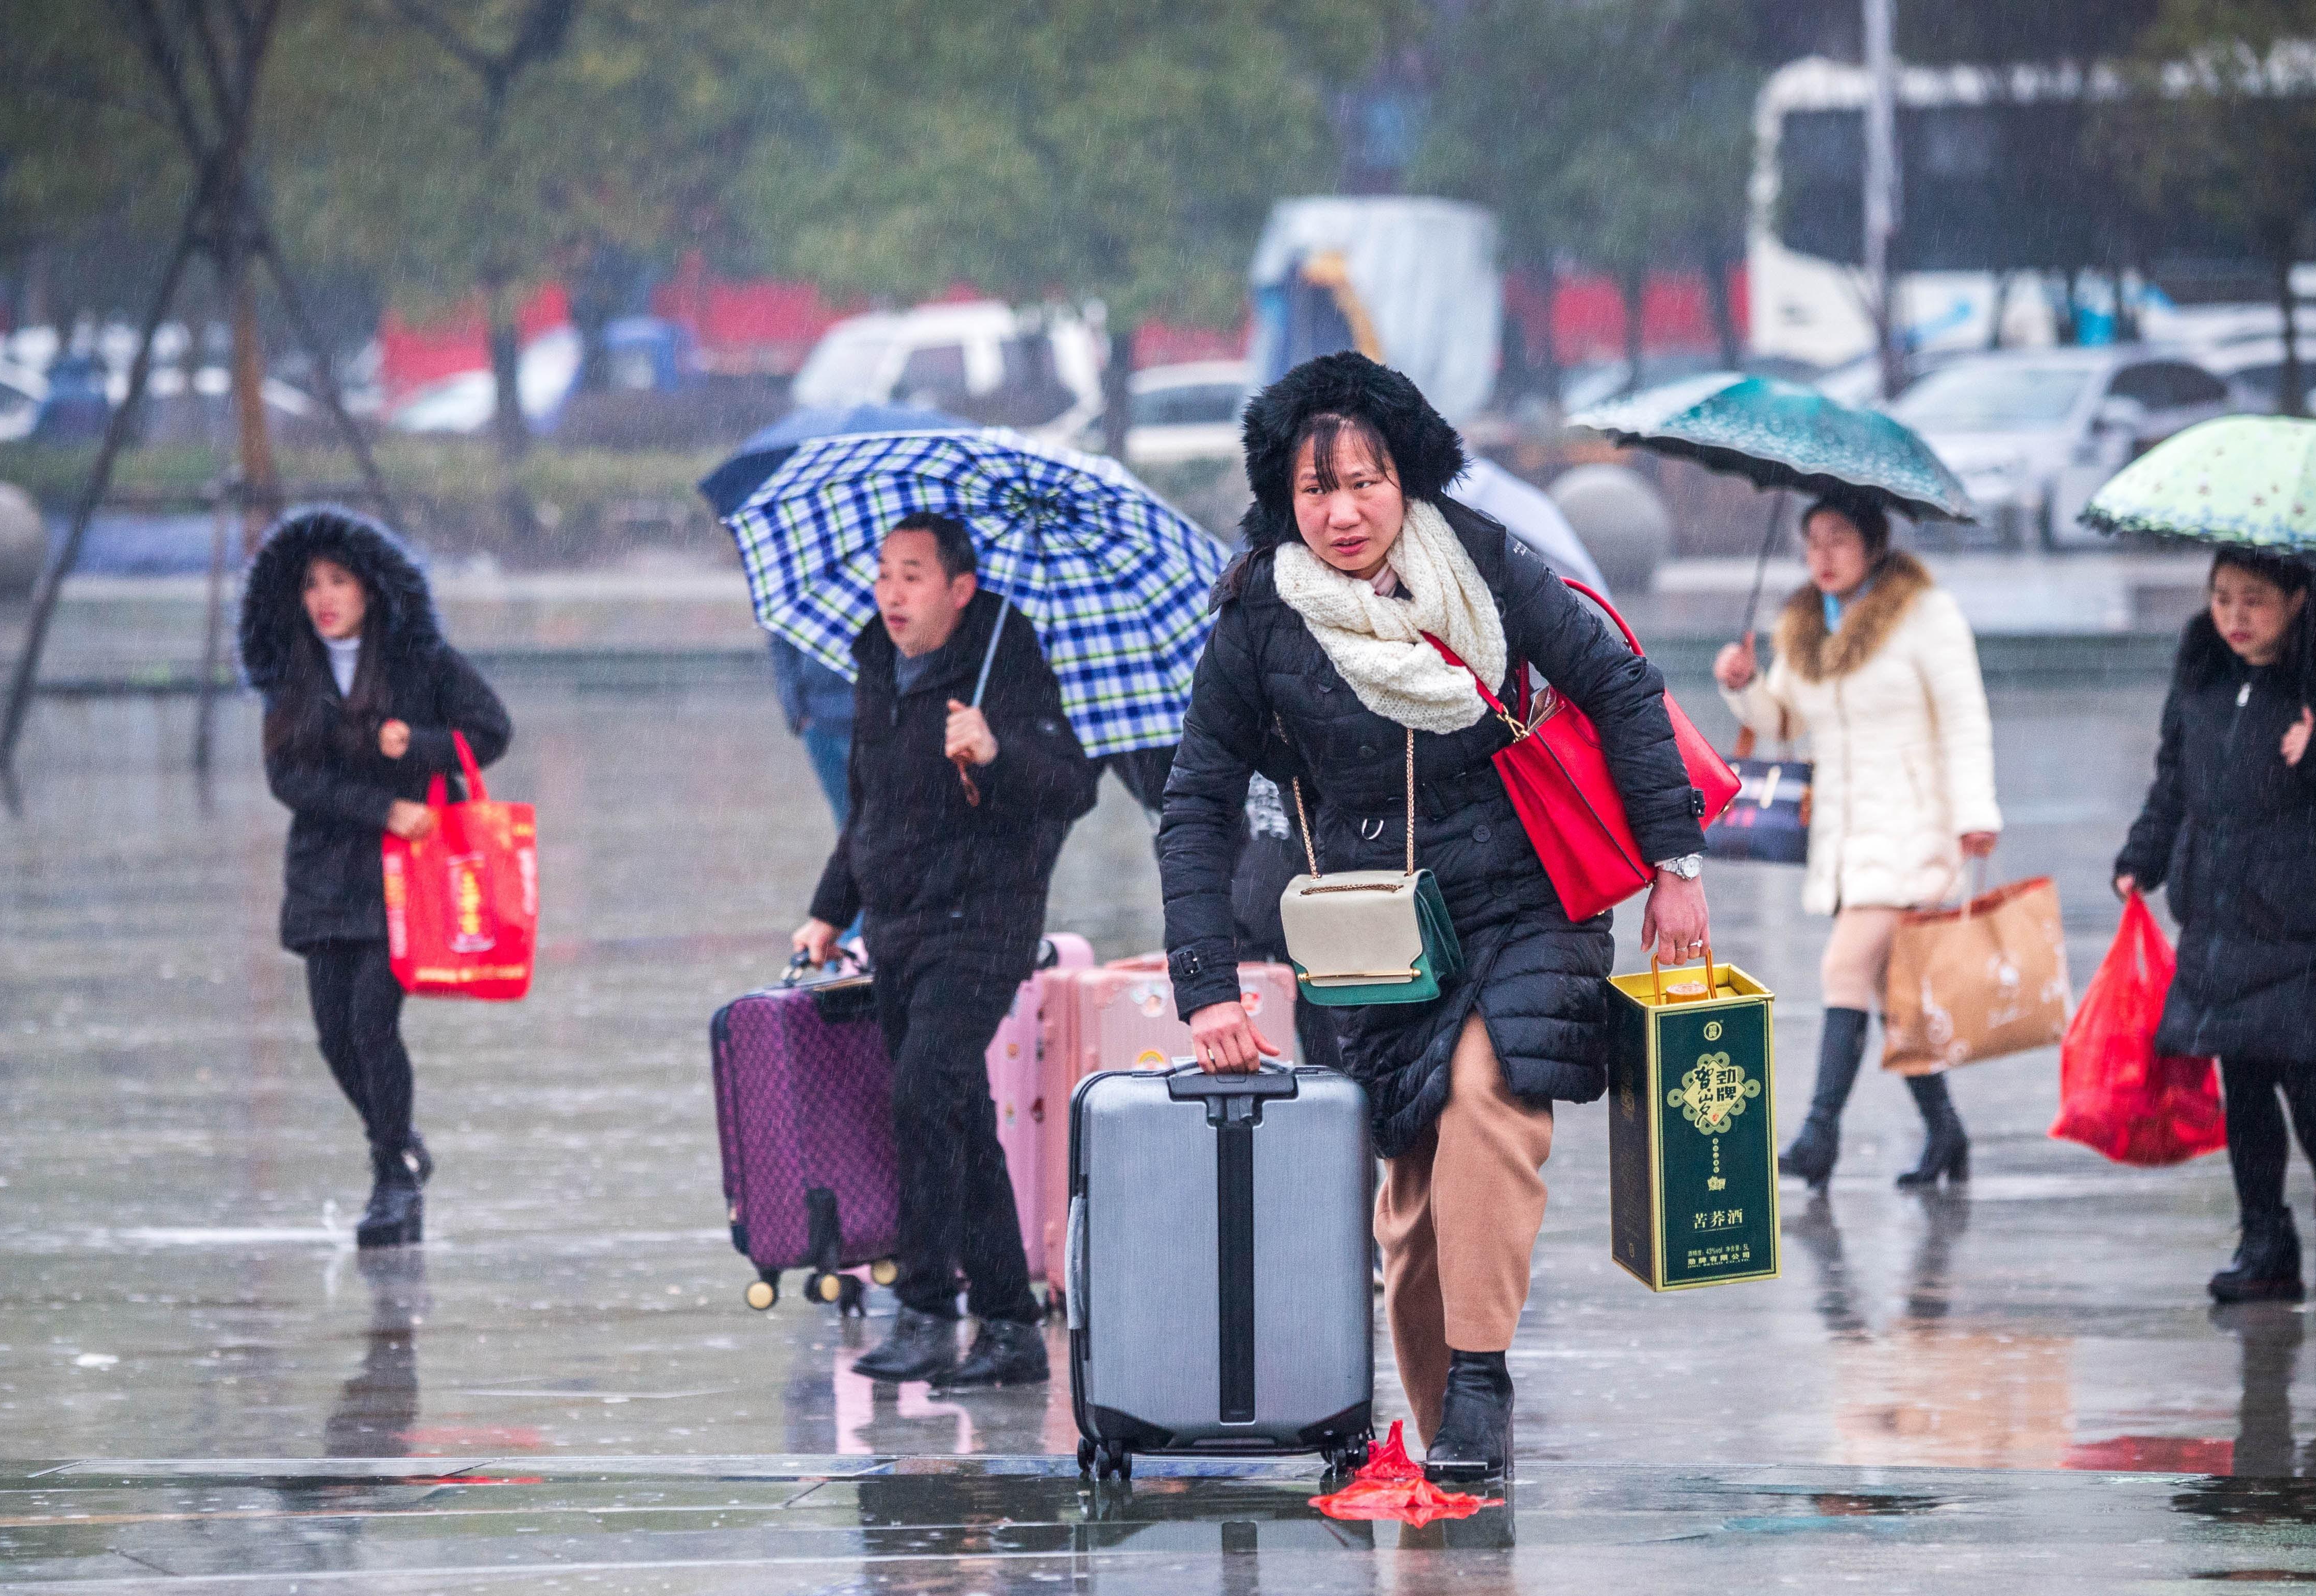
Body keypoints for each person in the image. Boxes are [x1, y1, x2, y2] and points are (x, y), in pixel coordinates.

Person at [1159, 352, 1712, 1483]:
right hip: (1380, 937)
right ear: (1286, 498)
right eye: (1318, 490)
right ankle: (1446, 1428)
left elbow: (1624, 687)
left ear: (1404, 474)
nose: (1345, 510)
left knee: (1484, 1098)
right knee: (1408, 1201)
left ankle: (1479, 1380)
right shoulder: (1262, 614)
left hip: (1527, 895)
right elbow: (1197, 801)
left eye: (1365, 480)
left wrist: (1675, 861)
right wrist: (1207, 984)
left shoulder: (1485, 563)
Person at [792, 511, 1101, 1386]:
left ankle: (927, 1308)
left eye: (913, 574)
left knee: (923, 1090)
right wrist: (826, 911)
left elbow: (1070, 787)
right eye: (884, 572)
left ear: (960, 589)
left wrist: (995, 749)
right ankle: (1007, 1325)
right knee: (954, 1113)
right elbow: (866, 807)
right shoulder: (876, 665)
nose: (891, 591)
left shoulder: (1005, 660)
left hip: (982, 923)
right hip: (896, 921)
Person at [2112, 548, 2316, 1303]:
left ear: (2298, 602)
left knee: (2307, 1077)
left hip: (2304, 915)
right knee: (2242, 1085)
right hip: (2220, 917)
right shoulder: (2204, 674)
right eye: (2221, 599)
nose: (2235, 618)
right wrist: (2143, 857)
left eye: (2255, 600)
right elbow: (2173, 781)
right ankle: (2265, 1242)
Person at [1713, 493, 2001, 1192]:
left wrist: (1976, 814)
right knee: (1890, 990)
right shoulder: (1806, 624)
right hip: (1846, 832)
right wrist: (1744, 687)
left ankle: (1819, 1135)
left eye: (1839, 539)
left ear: (1875, 543)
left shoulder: (1925, 615)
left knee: (1845, 967)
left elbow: (1964, 716)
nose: (1823, 556)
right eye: (1812, 542)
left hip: (1916, 829)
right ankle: (1946, 1133)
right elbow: (1783, 722)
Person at [241, 509, 512, 1247]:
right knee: (333, 1036)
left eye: (339, 581)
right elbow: (286, 776)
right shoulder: (291, 668)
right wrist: (379, 806)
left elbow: (491, 730)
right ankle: (398, 1142)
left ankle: (391, 1179)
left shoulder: (419, 659)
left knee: (372, 1020)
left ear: (371, 589)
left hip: (407, 876)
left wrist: (417, 745)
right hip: (326, 872)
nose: (324, 598)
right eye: (311, 584)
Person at [768, 629, 857, 828]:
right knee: (846, 820)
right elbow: (781, 643)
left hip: (872, 719)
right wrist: (796, 711)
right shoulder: (799, 601)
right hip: (818, 721)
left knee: (878, 820)